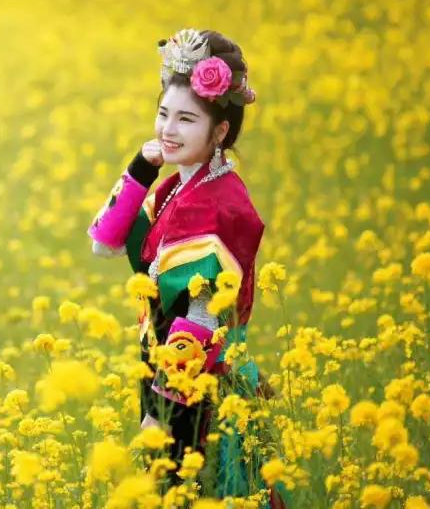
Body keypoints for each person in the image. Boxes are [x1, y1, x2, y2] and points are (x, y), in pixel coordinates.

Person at [87, 28, 287, 506]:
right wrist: (140, 168)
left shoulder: (220, 206)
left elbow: (201, 316)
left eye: (185, 119)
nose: (167, 130)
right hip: (163, 372)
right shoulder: (177, 186)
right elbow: (105, 241)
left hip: (195, 390)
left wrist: (161, 412)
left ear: (219, 132)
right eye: (162, 114)